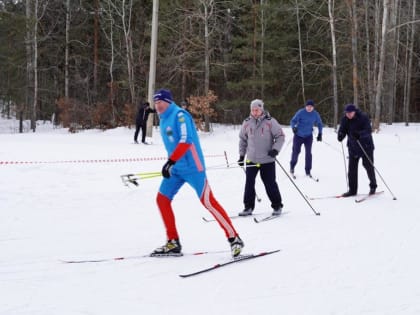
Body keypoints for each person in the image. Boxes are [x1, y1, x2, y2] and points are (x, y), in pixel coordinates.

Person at [151, 88, 244, 257]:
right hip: (177, 169)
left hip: (193, 167)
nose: (158, 106)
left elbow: (186, 140)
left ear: (168, 102)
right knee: (162, 199)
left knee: (208, 202)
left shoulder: (180, 115)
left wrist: (170, 161)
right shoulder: (163, 119)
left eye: (160, 102)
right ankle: (173, 242)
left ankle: (234, 238)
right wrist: (171, 164)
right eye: (155, 103)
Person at [238, 99, 285, 216]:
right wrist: (241, 155)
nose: (254, 112)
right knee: (249, 184)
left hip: (267, 159)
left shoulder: (270, 122)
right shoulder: (247, 122)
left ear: (261, 109)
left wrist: (275, 149)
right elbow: (243, 140)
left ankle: (277, 206)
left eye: (257, 110)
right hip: (252, 159)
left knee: (270, 184)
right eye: (253, 110)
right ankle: (248, 207)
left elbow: (280, 136)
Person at [337, 104, 377, 197]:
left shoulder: (363, 117)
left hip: (366, 146)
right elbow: (342, 129)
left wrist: (359, 134)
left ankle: (373, 186)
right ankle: (352, 190)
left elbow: (368, 130)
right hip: (353, 147)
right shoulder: (345, 119)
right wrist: (340, 135)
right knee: (352, 170)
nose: (348, 115)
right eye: (347, 113)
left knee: (368, 166)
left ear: (354, 112)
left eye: (350, 113)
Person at [289, 99, 323, 177]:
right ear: (305, 106)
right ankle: (292, 167)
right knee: (296, 152)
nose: (309, 108)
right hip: (298, 136)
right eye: (308, 106)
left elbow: (320, 123)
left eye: (311, 107)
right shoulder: (301, 112)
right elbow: (293, 121)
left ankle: (308, 170)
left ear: (313, 107)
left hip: (308, 136)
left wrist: (320, 133)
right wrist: (293, 127)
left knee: (308, 153)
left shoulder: (315, 114)